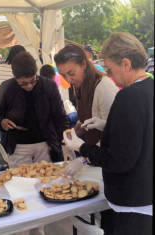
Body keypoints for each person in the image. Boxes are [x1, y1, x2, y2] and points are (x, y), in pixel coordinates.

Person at [63, 32, 153, 235]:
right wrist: (107, 125)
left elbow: (118, 160)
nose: (110, 76)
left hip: (132, 202)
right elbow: (141, 132)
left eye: (110, 69)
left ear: (126, 64)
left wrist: (80, 147)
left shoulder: (128, 97)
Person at [0, 51, 69, 167]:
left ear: (36, 73)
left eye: (33, 81)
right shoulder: (6, 88)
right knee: (20, 181)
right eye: (23, 83)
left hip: (45, 144)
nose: (29, 86)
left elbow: (60, 116)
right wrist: (2, 122)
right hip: (18, 146)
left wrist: (64, 140)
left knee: (45, 180)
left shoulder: (49, 86)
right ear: (15, 76)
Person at [54, 44, 119, 146]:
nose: (68, 80)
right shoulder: (79, 86)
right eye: (63, 75)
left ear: (84, 64)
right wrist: (75, 131)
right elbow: (87, 119)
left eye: (71, 73)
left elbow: (115, 132)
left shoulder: (104, 87)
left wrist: (86, 152)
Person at [0, 45, 26, 154]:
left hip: (3, 110)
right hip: (18, 111)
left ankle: (6, 162)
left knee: (5, 137)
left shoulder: (0, 67)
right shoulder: (21, 70)